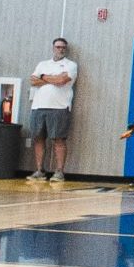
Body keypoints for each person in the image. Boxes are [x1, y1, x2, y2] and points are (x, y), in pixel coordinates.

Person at [26, 37, 78, 184]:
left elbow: (62, 81)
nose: (60, 50)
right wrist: (52, 78)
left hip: (59, 107)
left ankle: (59, 171)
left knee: (58, 139)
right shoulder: (43, 64)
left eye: (63, 47)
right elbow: (33, 80)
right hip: (38, 106)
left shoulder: (70, 65)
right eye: (58, 47)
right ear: (53, 48)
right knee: (38, 138)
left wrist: (43, 77)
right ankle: (39, 170)